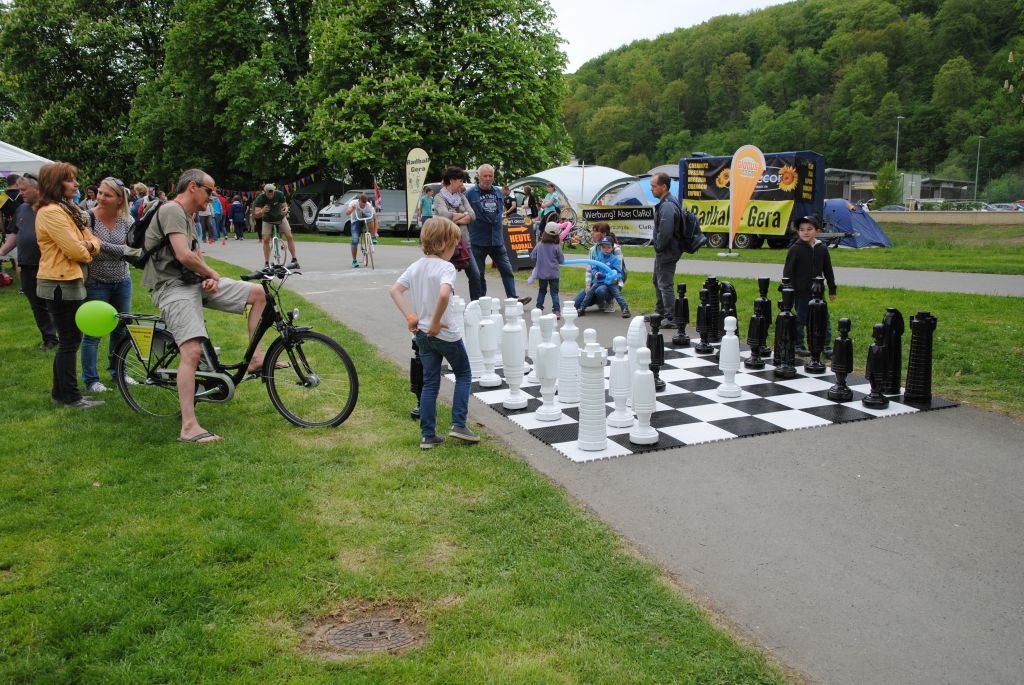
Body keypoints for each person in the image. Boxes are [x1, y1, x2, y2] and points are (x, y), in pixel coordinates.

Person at [142, 169, 271, 443]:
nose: (212, 198)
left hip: (192, 282)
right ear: (192, 187)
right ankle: (189, 427)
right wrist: (211, 274)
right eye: (210, 192)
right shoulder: (171, 211)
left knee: (259, 294)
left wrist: (207, 279)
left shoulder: (189, 216)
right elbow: (183, 254)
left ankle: (256, 360)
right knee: (191, 350)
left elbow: (195, 255)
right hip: (171, 286)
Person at [388, 217, 479, 450]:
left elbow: (395, 291)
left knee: (430, 382)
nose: (456, 249)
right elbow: (443, 295)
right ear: (443, 244)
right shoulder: (446, 267)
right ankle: (459, 424)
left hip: (422, 334)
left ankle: (428, 436)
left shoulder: (416, 266)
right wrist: (437, 321)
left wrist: (410, 317)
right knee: (464, 374)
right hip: (445, 333)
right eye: (454, 245)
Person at [33, 161, 103, 409]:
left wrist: (89, 245)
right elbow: (76, 250)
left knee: (69, 341)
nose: (76, 184)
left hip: (68, 280)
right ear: (55, 184)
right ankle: (72, 397)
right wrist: (87, 248)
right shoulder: (52, 212)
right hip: (60, 282)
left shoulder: (68, 210)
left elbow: (93, 239)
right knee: (70, 341)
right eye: (70, 179)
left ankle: (60, 393)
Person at [79, 177, 134, 394]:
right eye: (100, 192)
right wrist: (114, 249)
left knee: (121, 331)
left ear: (120, 200)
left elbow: (130, 252)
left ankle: (119, 372)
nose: (100, 198)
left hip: (122, 281)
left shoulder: (127, 221)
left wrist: (98, 245)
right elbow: (85, 248)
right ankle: (91, 380)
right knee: (93, 334)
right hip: (95, 283)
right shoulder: (87, 218)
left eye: (107, 195)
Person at [0, 173, 57, 349]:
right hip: (27, 265)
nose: (21, 192)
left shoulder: (51, 209)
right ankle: (49, 338)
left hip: (49, 265)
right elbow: (14, 235)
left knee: (53, 303)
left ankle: (64, 334)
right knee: (37, 305)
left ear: (37, 188)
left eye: (24, 189)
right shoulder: (22, 209)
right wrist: (1, 252)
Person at [465, 163, 530, 305]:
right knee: (478, 274)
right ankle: (480, 302)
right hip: (478, 240)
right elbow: (462, 210)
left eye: (490, 176)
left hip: (496, 240)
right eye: (485, 176)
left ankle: (513, 299)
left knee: (507, 270)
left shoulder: (498, 192)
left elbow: (501, 211)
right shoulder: (470, 194)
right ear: (478, 177)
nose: (488, 179)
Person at [783, 214, 837, 356]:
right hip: (800, 292)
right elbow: (788, 271)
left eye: (809, 229)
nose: (805, 232)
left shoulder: (822, 248)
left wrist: (832, 288)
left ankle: (825, 346)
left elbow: (828, 270)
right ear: (797, 232)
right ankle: (798, 345)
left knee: (824, 319)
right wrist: (787, 290)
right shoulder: (795, 249)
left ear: (817, 231)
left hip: (818, 292)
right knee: (800, 320)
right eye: (802, 229)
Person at [432, 166, 481, 301]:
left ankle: (475, 305)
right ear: (452, 180)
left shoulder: (462, 197)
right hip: (446, 245)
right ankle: (447, 307)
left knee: (475, 275)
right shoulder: (439, 198)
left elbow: (472, 215)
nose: (462, 184)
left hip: (465, 243)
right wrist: (462, 216)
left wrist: (455, 218)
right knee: (447, 279)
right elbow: (444, 216)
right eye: (460, 180)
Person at [650, 171, 682, 328]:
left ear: (663, 187)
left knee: (665, 284)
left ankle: (670, 317)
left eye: (654, 186)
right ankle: (660, 312)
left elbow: (666, 231)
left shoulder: (668, 205)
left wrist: (658, 246)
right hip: (664, 251)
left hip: (667, 252)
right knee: (657, 281)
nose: (651, 189)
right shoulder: (666, 202)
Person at [572, 222, 626, 314]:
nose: (592, 233)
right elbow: (589, 270)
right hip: (596, 282)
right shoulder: (592, 250)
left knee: (601, 291)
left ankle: (609, 301)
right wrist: (588, 286)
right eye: (592, 231)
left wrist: (616, 280)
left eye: (595, 231)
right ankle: (599, 301)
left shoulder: (615, 249)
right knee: (575, 304)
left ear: (604, 234)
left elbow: (619, 269)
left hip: (611, 282)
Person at [577, 236, 630, 318]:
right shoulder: (598, 258)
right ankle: (582, 308)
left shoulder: (614, 259)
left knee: (618, 294)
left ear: (612, 248)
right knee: (590, 292)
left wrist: (617, 278)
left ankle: (625, 309)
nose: (606, 249)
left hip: (610, 281)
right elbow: (594, 268)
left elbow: (619, 272)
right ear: (600, 247)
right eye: (603, 247)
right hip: (599, 280)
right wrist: (596, 273)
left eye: (608, 247)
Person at [253, 183, 299, 270]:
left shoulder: (279, 194)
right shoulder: (260, 198)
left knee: (289, 236)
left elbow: (285, 205)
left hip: (280, 218)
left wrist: (285, 209)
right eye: (268, 194)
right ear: (264, 192)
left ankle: (294, 259)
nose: (270, 195)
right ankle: (267, 262)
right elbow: (256, 214)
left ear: (274, 191)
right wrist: (262, 211)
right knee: (266, 239)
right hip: (267, 220)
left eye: (272, 193)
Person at [530, 219, 564, 316]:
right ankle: (556, 311)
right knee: (554, 293)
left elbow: (532, 257)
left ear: (544, 232)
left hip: (542, 274)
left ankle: (538, 309)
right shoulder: (557, 246)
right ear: (557, 235)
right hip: (554, 274)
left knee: (542, 291)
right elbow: (561, 260)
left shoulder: (539, 245)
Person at [344, 193, 375, 268]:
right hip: (355, 221)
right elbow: (347, 213)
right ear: (359, 201)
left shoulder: (368, 205)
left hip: (364, 219)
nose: (363, 206)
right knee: (355, 240)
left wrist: (375, 232)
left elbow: (375, 218)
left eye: (364, 204)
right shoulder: (353, 203)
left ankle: (372, 237)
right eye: (362, 204)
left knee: (370, 217)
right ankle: (354, 260)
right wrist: (352, 209)